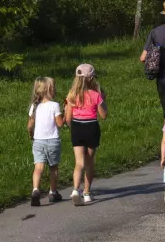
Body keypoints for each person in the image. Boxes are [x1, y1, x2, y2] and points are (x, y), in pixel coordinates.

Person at [64, 63, 108, 206]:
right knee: (89, 162)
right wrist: (103, 101)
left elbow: (68, 118)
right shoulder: (96, 95)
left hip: (77, 127)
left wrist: (73, 128)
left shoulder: (71, 95)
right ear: (91, 79)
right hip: (91, 127)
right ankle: (87, 192)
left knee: (79, 162)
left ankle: (76, 189)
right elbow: (103, 115)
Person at [27, 77, 65, 206]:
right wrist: (64, 115)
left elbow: (30, 125)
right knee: (53, 167)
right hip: (52, 141)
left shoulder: (34, 106)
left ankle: (35, 189)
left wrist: (31, 135)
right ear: (49, 90)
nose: (55, 90)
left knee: (38, 167)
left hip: (38, 141)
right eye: (54, 87)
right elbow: (59, 124)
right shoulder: (54, 105)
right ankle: (52, 192)